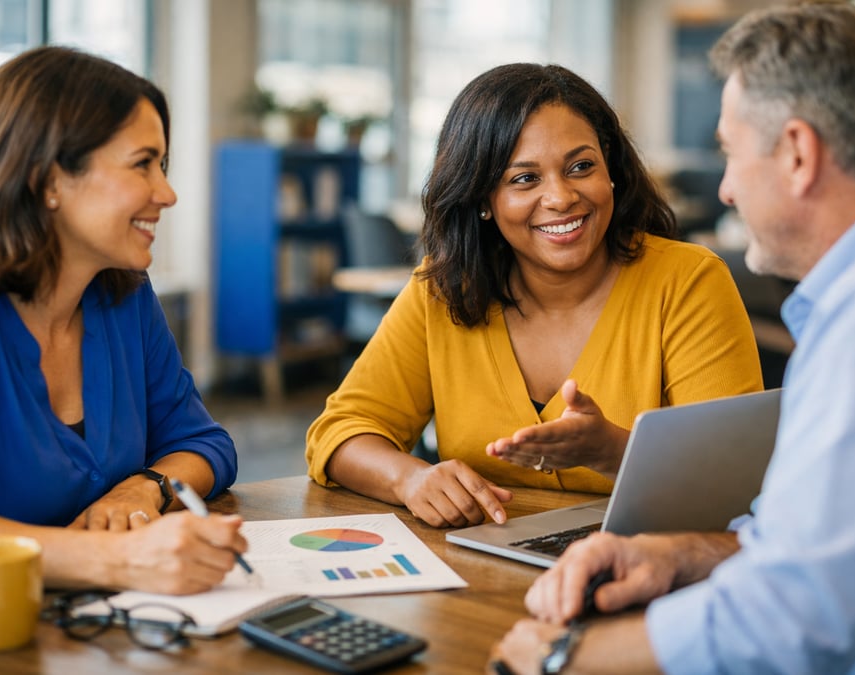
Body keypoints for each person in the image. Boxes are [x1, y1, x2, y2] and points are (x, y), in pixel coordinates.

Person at [490, 3, 855, 673]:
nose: (727, 189)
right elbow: (812, 547)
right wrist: (676, 555)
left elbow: (797, 618)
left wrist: (569, 655)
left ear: (796, 153)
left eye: (730, 152)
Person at [306, 62, 763, 528]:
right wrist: (409, 479)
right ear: (483, 198)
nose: (561, 197)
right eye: (524, 179)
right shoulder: (443, 291)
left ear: (611, 170)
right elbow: (339, 433)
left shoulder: (688, 282)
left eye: (581, 167)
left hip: (650, 566)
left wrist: (613, 451)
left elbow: (732, 480)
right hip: (479, 573)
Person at [0, 46, 244, 595]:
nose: (167, 194)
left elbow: (204, 443)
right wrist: (114, 559)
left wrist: (144, 488)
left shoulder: (122, 295)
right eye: (142, 164)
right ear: (49, 177)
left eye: (163, 167)